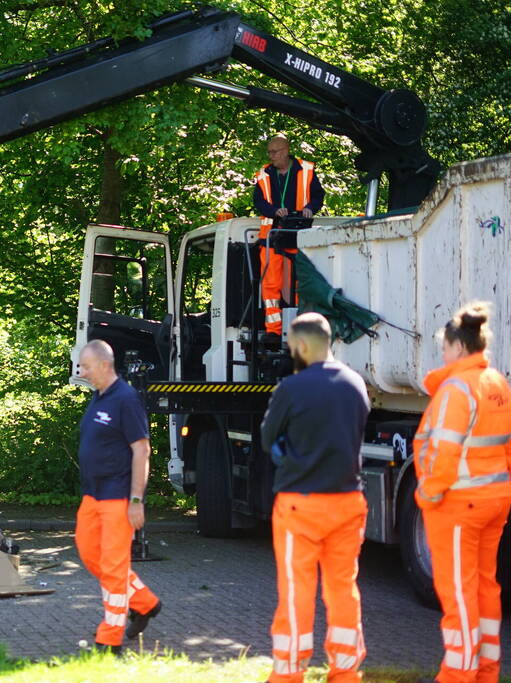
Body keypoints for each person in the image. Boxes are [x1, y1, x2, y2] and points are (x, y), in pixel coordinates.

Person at [259, 312, 370, 682]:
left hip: (300, 504)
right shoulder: (356, 384)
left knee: (296, 591)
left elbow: (267, 440)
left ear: (301, 346)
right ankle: (346, 670)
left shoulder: (291, 389)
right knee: (343, 589)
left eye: (292, 347)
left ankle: (290, 672)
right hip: (348, 501)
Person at [413, 302, 511, 683]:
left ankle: (457, 674)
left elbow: (443, 449)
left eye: (444, 346)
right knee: (486, 587)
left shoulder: (457, 389)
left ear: (457, 346)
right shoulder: (497, 383)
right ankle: (485, 671)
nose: (442, 353)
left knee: (458, 592)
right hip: (493, 500)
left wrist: (429, 495)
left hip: (458, 504)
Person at [75, 339, 161, 653]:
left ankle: (109, 641)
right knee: (90, 555)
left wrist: (136, 500)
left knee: (113, 567)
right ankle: (146, 602)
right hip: (92, 496)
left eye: (85, 366)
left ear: (104, 365)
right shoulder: (99, 398)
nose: (81, 372)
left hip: (117, 496)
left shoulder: (126, 399)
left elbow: (142, 450)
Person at [252, 133, 325, 337]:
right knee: (270, 284)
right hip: (271, 236)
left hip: (298, 234)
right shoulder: (264, 174)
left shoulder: (307, 170)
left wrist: (310, 208)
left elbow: (318, 195)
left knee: (298, 283)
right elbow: (258, 201)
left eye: (274, 152)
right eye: (269, 152)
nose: (271, 156)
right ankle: (274, 330)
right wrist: (274, 210)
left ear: (285, 151)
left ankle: (300, 326)